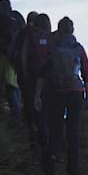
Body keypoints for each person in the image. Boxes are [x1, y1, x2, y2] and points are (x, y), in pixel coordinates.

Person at [35, 16, 88, 175]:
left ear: (58, 29)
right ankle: (72, 170)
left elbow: (42, 73)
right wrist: (87, 98)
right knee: (73, 132)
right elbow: (86, 75)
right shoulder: (79, 48)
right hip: (76, 93)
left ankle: (51, 167)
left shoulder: (51, 48)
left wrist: (37, 96)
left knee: (55, 130)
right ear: (72, 30)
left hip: (56, 92)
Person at [20, 13, 52, 142]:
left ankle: (35, 135)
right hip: (49, 80)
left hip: (32, 77)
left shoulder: (29, 36)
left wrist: (24, 74)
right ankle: (48, 139)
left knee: (33, 107)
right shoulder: (51, 38)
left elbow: (23, 57)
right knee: (47, 108)